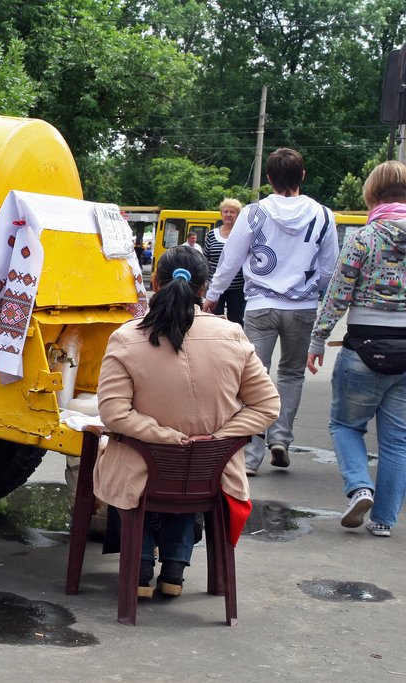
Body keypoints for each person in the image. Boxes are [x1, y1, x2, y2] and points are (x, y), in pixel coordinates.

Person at [94, 245, 279, 596]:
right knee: (187, 470)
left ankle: (141, 561)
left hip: (142, 473)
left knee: (117, 456)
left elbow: (113, 415)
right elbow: (267, 406)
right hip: (212, 475)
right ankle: (175, 567)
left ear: (154, 283)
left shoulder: (125, 337)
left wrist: (165, 436)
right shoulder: (233, 335)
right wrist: (217, 437)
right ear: (203, 288)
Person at [203, 148, 338, 475]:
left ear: (268, 179)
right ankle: (281, 438)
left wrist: (212, 296)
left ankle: (250, 456)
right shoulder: (322, 214)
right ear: (302, 175)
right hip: (302, 308)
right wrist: (309, 290)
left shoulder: (252, 213)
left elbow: (230, 261)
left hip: (260, 306)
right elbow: (328, 268)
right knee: (291, 375)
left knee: (253, 377)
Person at [306, 161, 406, 538]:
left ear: (373, 193)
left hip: (363, 349)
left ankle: (359, 486)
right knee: (398, 439)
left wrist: (318, 340)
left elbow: (337, 295)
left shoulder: (364, 238)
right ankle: (383, 521)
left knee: (346, 424)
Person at [204, 198, 247, 325]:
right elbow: (206, 260)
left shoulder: (243, 234)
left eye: (232, 212)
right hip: (215, 286)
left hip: (238, 288)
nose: (228, 214)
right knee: (214, 320)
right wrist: (206, 282)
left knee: (236, 321)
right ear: (221, 214)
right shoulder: (212, 235)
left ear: (238, 215)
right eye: (226, 211)